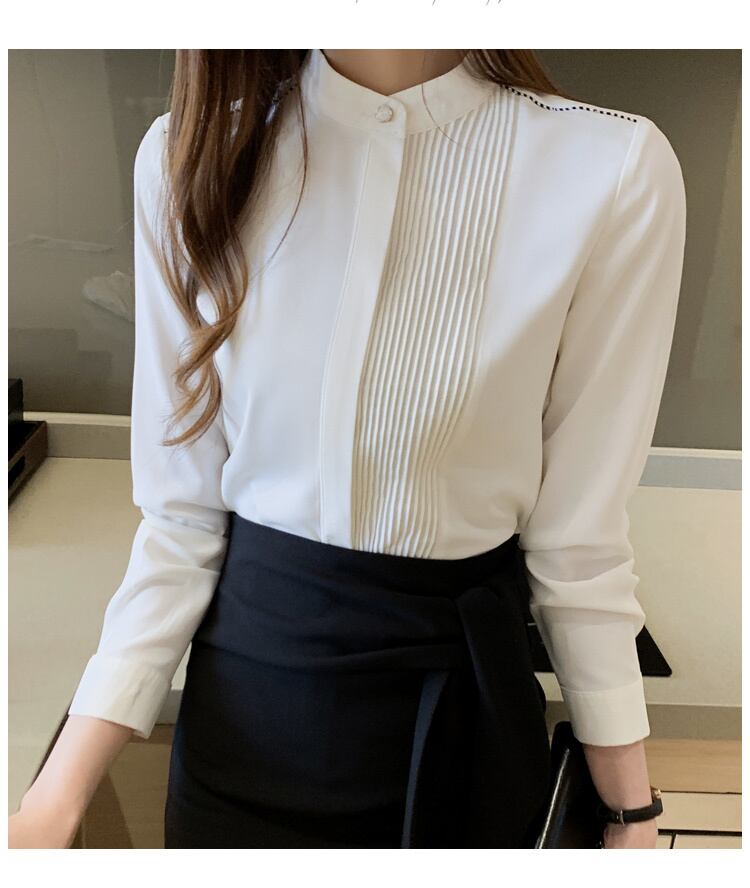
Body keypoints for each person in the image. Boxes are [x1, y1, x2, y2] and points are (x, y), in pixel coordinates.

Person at [9, 48, 686, 849]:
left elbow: (578, 541)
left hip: (464, 723)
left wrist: (629, 815)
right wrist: (55, 800)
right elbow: (182, 522)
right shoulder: (185, 156)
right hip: (243, 727)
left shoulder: (611, 168)